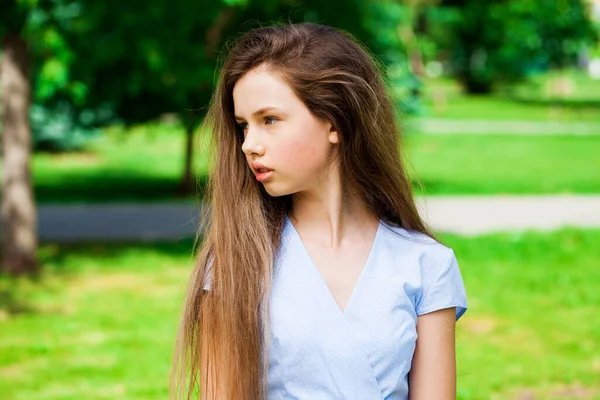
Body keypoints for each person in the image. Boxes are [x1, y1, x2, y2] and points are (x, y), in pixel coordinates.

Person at [171, 22, 468, 400]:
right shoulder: (235, 263)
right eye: (243, 126)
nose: (249, 145)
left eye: (270, 120)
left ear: (334, 120)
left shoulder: (425, 265)